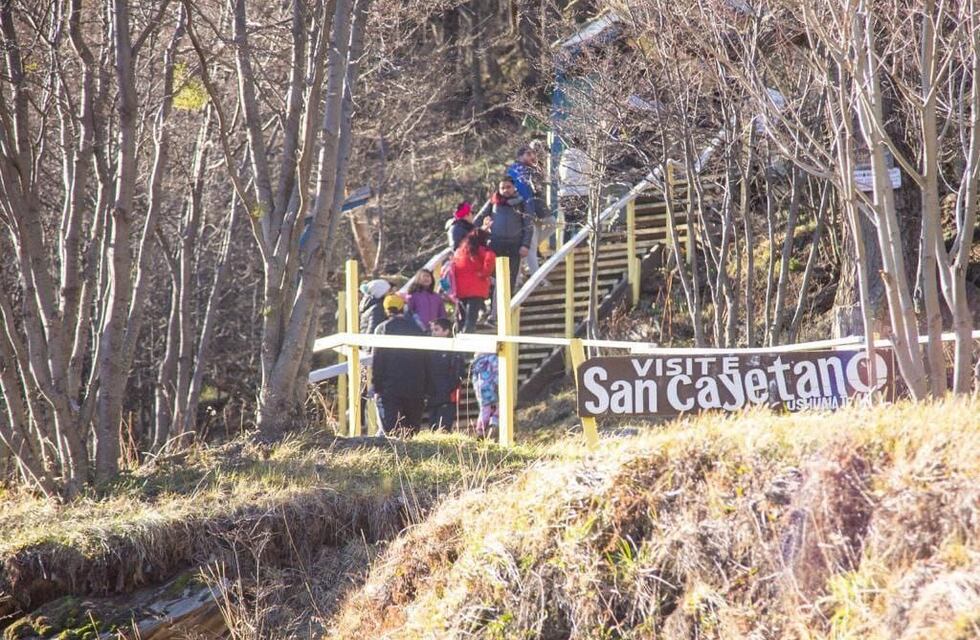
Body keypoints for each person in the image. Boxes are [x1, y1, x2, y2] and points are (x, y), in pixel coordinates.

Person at [372, 293, 429, 435]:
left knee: (392, 432)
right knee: (412, 431)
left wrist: (377, 386)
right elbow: (425, 359)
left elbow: (378, 359)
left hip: (390, 388)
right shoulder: (417, 329)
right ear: (403, 308)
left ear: (386, 310)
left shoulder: (382, 329)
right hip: (415, 387)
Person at [474, 178, 531, 292]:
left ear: (514, 187)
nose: (505, 190)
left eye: (508, 187)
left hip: (514, 245)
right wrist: (482, 233)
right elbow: (477, 220)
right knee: (494, 278)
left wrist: (525, 245)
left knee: (511, 277)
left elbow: (528, 225)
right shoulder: (493, 202)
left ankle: (508, 304)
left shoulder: (522, 203)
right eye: (502, 188)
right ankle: (494, 306)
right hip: (495, 245)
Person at [507, 145, 556, 277]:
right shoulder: (517, 171)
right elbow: (524, 193)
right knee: (532, 246)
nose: (532, 157)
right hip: (526, 211)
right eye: (528, 154)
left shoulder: (531, 170)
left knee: (551, 224)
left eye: (533, 154)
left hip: (536, 209)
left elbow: (538, 191)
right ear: (520, 156)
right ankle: (537, 279)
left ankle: (526, 260)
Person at [451, 228, 495, 333]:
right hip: (476, 288)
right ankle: (468, 336)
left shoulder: (459, 251)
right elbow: (490, 257)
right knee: (471, 319)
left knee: (462, 316)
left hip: (461, 289)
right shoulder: (479, 250)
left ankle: (460, 336)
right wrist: (485, 273)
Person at [426, 318, 464, 430]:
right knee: (432, 428)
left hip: (447, 397)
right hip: (432, 396)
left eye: (436, 330)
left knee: (443, 429)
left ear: (447, 331)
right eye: (432, 330)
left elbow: (459, 374)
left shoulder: (454, 350)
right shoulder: (430, 350)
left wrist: (448, 389)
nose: (433, 333)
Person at [558, 146, 591, 242]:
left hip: (566, 193)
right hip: (582, 192)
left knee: (568, 223)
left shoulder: (565, 157)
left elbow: (561, 174)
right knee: (581, 223)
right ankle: (582, 243)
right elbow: (589, 171)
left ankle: (566, 246)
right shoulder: (585, 156)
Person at [470, 352, 499, 438]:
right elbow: (497, 372)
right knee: (498, 406)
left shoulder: (476, 361)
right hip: (492, 386)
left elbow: (474, 377)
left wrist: (477, 388)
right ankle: (494, 422)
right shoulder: (493, 358)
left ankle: (480, 430)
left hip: (481, 388)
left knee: (484, 409)